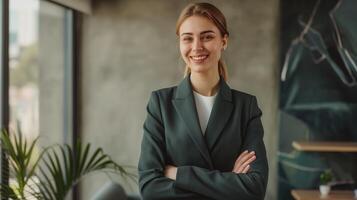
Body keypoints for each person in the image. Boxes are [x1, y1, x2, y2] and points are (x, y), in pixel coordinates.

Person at [138, 2, 268, 200]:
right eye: (187, 38)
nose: (197, 47)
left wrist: (178, 174)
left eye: (207, 37)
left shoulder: (246, 107)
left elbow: (255, 189)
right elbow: (149, 188)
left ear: (224, 41)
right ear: (180, 44)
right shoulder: (160, 104)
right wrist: (229, 182)